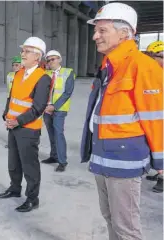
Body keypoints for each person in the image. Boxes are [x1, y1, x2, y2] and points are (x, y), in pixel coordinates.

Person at [81, 3, 163, 239]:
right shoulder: (109, 65)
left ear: (124, 33)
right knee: (110, 218)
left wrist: (160, 160)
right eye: (96, 30)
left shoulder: (143, 66)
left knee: (126, 227)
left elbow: (156, 117)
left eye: (102, 30)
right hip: (102, 155)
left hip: (124, 161)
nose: (95, 36)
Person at [0, 37, 51, 213]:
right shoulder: (19, 73)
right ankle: (14, 188)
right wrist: (6, 114)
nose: (23, 54)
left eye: (27, 51)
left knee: (29, 165)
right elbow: (11, 98)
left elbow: (38, 108)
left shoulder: (42, 78)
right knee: (13, 162)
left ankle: (32, 198)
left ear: (37, 56)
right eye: (23, 50)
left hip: (28, 129)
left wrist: (18, 121)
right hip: (12, 126)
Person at [41, 50, 75, 172]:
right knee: (51, 134)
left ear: (59, 59)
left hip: (59, 109)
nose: (51, 62)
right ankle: (53, 156)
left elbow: (67, 93)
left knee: (58, 134)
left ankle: (62, 161)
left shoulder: (68, 73)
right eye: (48, 60)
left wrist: (54, 106)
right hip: (46, 109)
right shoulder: (45, 73)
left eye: (53, 59)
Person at [144, 40, 164, 193]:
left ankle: (162, 179)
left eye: (153, 56)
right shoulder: (155, 73)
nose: (151, 59)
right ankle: (159, 171)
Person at [4, 55, 22, 148]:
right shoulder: (10, 75)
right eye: (14, 65)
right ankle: (11, 142)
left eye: (17, 65)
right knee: (9, 120)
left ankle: (18, 142)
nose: (15, 67)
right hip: (10, 100)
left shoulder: (24, 75)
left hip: (20, 102)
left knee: (18, 122)